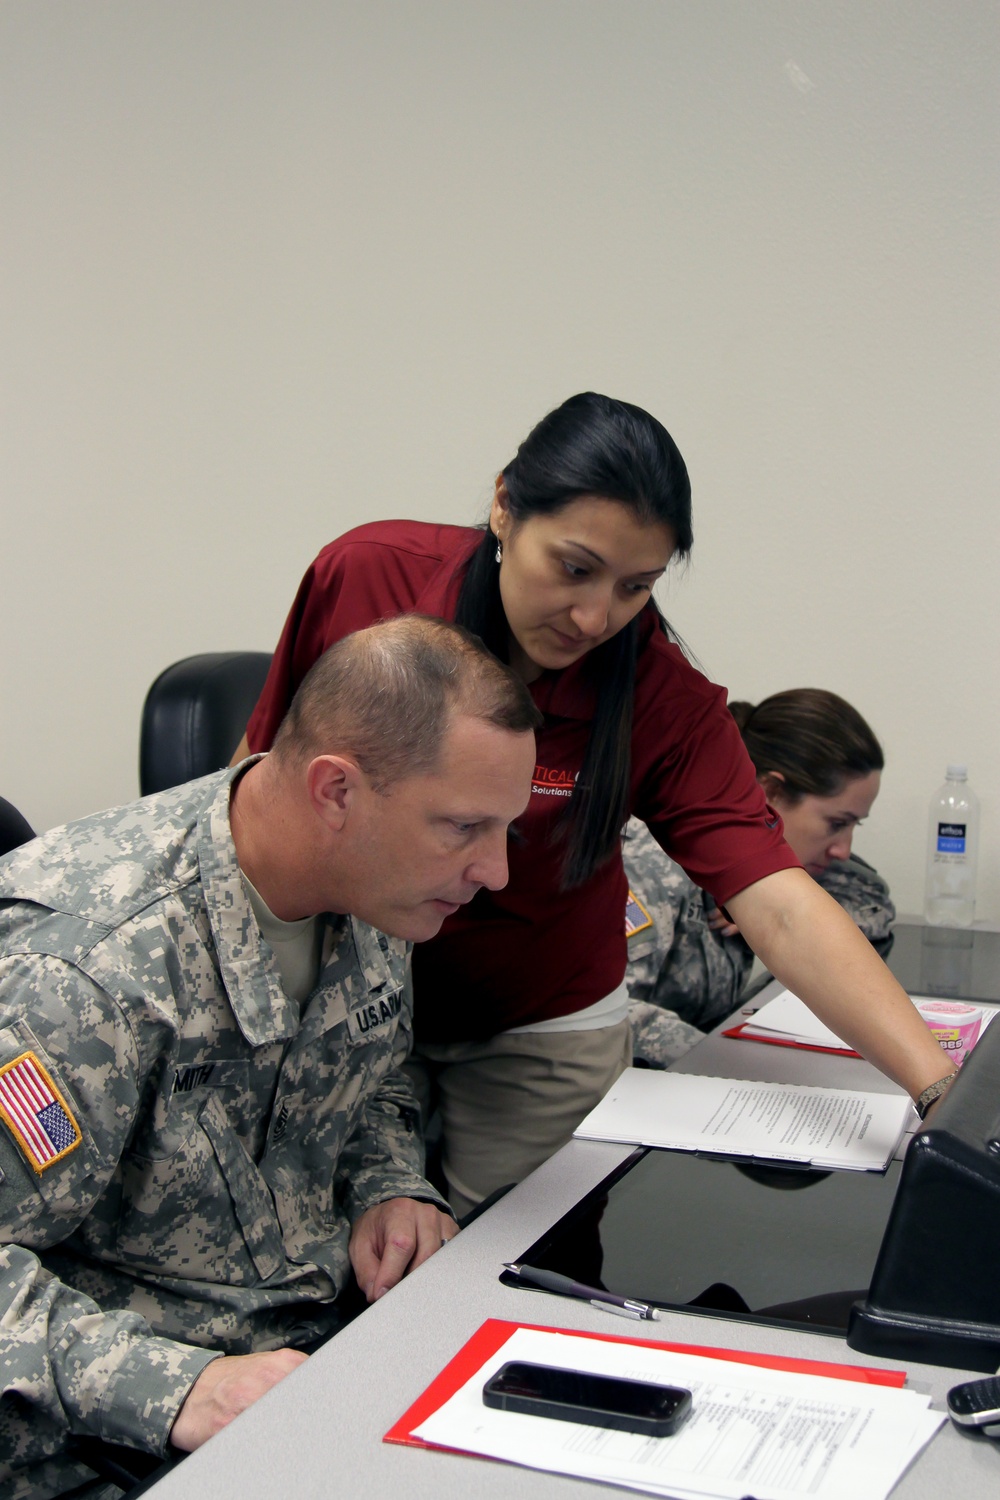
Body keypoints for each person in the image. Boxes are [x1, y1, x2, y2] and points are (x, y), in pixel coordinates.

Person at [233, 391, 956, 1220]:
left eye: (636, 587)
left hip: (536, 1017)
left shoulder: (661, 693)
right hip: (346, 1001)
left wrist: (938, 1087)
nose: (595, 617)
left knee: (511, 1262)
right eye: (574, 568)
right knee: (323, 1263)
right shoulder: (367, 577)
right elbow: (258, 782)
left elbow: (781, 905)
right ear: (505, 505)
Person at [0, 615, 538, 1498]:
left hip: (322, 1362)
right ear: (336, 791)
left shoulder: (378, 891)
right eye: (464, 827)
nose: (496, 870)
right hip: (120, 1437)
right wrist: (184, 1388)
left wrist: (387, 1184)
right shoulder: (87, 970)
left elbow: (371, 1084)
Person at [624, 689, 896, 1064]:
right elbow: (608, 1013)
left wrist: (775, 907)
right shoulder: (656, 859)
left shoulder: (786, 865)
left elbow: (872, 900)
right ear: (769, 792)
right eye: (836, 824)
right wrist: (730, 1063)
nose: (843, 850)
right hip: (629, 1096)